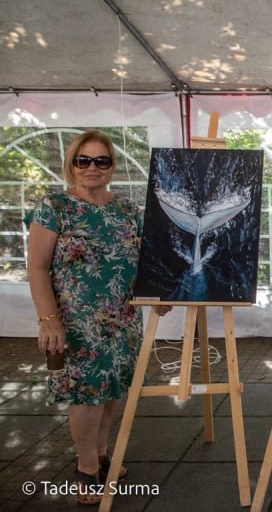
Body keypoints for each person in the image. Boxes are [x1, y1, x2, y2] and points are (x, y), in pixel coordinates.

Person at [25, 130, 171, 505]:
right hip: (77, 322)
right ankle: (86, 467)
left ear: (111, 166)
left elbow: (143, 262)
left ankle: (103, 454)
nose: (92, 167)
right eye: (84, 160)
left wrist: (156, 295)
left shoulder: (128, 211)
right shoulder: (53, 207)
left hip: (123, 318)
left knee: (111, 391)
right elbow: (37, 267)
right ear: (72, 164)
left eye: (101, 161)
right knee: (86, 394)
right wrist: (48, 319)